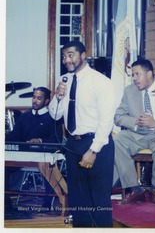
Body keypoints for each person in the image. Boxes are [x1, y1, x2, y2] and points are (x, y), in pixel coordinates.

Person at [49, 41, 117, 227]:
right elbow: (54, 114)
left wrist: (93, 151)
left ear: (83, 55)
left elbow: (106, 121)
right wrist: (58, 96)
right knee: (78, 198)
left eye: (71, 55)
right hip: (73, 144)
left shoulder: (101, 82)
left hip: (96, 144)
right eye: (64, 56)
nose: (66, 60)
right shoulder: (65, 80)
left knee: (99, 198)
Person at [113, 58, 155, 205]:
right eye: (133, 75)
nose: (134, 79)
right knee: (117, 140)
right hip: (137, 134)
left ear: (149, 74)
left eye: (137, 74)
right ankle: (135, 189)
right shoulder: (129, 91)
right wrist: (134, 122)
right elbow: (118, 117)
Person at [5, 87, 63, 218]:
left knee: (48, 168)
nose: (35, 101)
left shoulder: (53, 117)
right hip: (22, 157)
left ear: (47, 101)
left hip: (43, 158)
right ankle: (6, 202)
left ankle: (47, 204)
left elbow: (57, 140)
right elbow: (14, 136)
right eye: (34, 97)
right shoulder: (25, 116)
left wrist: (41, 140)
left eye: (39, 98)